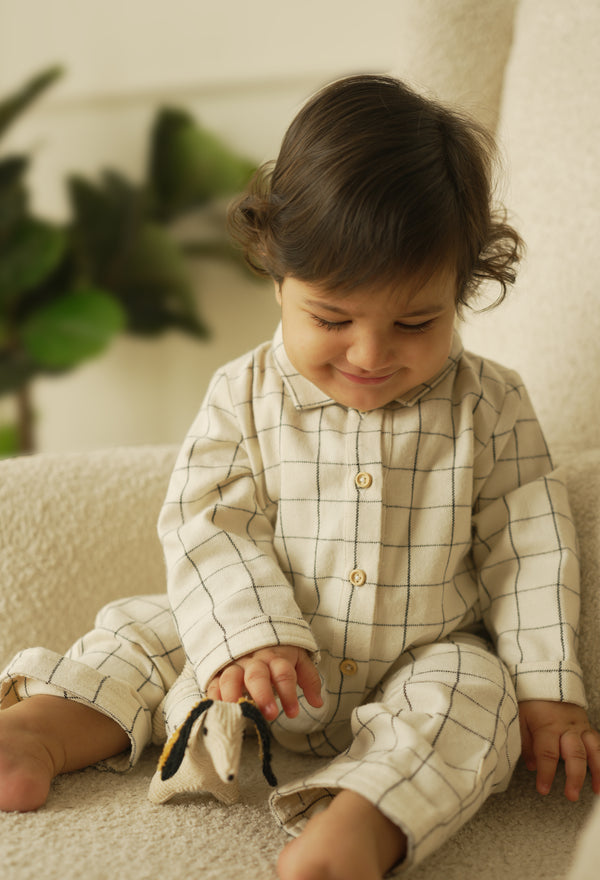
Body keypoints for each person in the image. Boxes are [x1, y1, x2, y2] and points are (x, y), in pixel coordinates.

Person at [1, 74, 599, 880]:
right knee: (140, 631)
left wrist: (547, 688)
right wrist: (250, 635)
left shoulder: (491, 405)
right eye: (331, 319)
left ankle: (359, 823)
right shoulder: (240, 396)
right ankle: (38, 728)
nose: (370, 354)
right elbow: (206, 523)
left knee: (475, 694)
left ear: (463, 291)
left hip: (417, 658)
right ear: (276, 274)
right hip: (250, 662)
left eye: (415, 323)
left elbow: (531, 550)